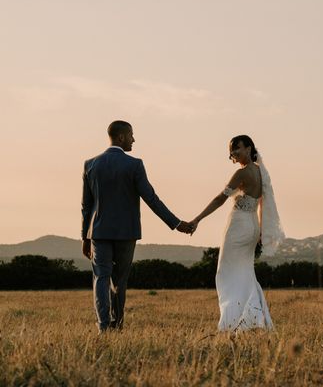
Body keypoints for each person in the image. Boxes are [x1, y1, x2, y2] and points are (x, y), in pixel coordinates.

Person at [81, 120, 192, 333]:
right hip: (126, 232)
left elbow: (86, 206)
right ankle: (118, 325)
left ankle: (103, 327)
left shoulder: (90, 164)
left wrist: (85, 237)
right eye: (131, 135)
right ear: (121, 137)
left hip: (98, 232)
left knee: (101, 278)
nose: (134, 139)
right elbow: (151, 198)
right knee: (119, 281)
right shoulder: (134, 165)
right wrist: (176, 223)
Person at [189, 135, 285, 331]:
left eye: (237, 148)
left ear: (249, 148)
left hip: (239, 227)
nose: (233, 153)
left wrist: (197, 219)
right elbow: (261, 203)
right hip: (252, 228)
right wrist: (260, 229)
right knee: (245, 273)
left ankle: (233, 322)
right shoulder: (260, 172)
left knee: (226, 272)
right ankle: (252, 319)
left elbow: (219, 199)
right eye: (231, 150)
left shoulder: (241, 174)